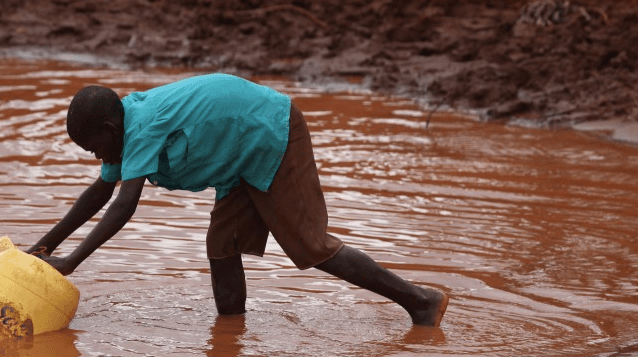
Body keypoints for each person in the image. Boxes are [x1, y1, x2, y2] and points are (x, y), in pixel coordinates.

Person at [27, 73, 449, 327]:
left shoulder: (141, 126)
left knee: (309, 246)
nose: (99, 158)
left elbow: (123, 204)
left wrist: (72, 263)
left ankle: (421, 301)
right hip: (238, 158)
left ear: (108, 126)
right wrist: (44, 248)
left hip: (271, 134)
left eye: (95, 148)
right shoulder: (124, 126)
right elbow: (100, 191)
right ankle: (231, 342)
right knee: (221, 247)